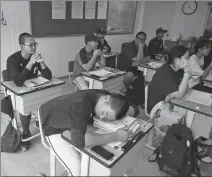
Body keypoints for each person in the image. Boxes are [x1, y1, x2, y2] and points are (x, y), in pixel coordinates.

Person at [42, 89, 132, 176]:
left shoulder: (104, 95)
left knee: (92, 159)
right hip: (52, 127)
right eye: (105, 112)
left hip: (71, 121)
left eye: (107, 117)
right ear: (106, 98)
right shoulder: (80, 105)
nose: (101, 117)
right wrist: (115, 136)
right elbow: (79, 142)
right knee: (76, 167)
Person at [7, 32, 52, 150]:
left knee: (48, 99)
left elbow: (48, 76)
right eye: (30, 45)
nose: (34, 47)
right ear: (22, 46)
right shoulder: (13, 60)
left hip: (33, 87)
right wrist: (30, 64)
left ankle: (40, 121)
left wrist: (41, 62)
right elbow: (17, 82)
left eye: (35, 44)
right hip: (17, 90)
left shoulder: (35, 57)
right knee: (26, 106)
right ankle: (26, 131)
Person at [147, 45, 191, 124]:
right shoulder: (166, 73)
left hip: (170, 101)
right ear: (176, 59)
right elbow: (179, 95)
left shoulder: (178, 69)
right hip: (158, 108)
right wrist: (187, 74)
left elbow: (184, 88)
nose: (189, 60)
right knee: (189, 119)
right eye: (186, 58)